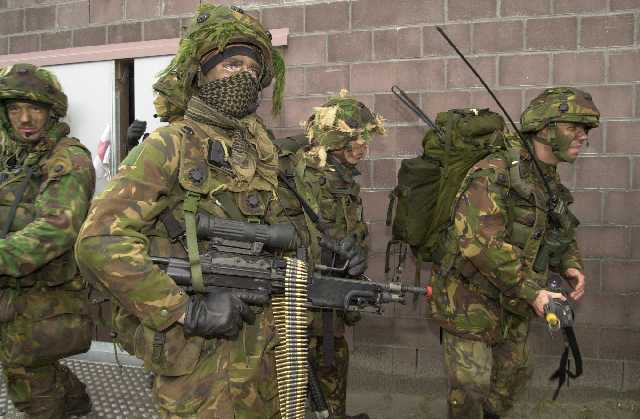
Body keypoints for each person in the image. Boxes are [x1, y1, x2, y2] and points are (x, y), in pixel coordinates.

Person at [74, 3, 286, 418]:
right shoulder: (169, 145)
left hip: (260, 355)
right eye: (229, 65)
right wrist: (184, 310)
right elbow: (99, 242)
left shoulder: (262, 153)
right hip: (198, 363)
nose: (242, 74)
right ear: (199, 73)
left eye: (250, 67)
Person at [429, 87, 599, 419]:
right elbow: (480, 243)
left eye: (587, 129)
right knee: (470, 389)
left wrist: (571, 264)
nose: (582, 135)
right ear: (545, 129)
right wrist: (534, 291)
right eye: (573, 126)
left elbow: (561, 228)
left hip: (514, 301)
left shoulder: (547, 178)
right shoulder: (494, 172)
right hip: (469, 301)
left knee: (514, 376)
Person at [275, 89, 385, 419]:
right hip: (302, 301)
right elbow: (294, 235)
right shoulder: (308, 173)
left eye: (366, 138)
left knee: (333, 365)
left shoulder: (340, 175)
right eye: (356, 138)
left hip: (329, 297)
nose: (363, 145)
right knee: (299, 382)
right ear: (336, 138)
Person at [0, 64, 95, 418]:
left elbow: (57, 227)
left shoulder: (67, 159)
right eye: (14, 109)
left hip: (45, 295)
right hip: (14, 290)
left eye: (34, 108)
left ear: (51, 111)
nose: (24, 118)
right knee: (33, 368)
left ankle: (65, 405)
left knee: (28, 384)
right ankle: (77, 402)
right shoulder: (16, 155)